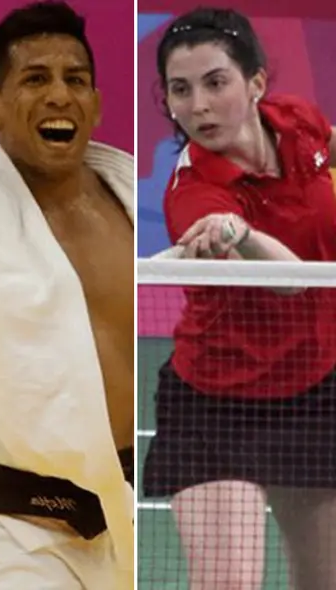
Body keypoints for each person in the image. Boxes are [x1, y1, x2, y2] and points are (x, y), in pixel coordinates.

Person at [142, 7, 336, 590]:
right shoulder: (193, 194)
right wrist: (241, 235)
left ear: (255, 83)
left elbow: (328, 145)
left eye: (215, 82)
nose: (197, 105)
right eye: (181, 89)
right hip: (217, 404)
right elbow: (292, 281)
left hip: (313, 388)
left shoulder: (296, 121)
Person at [0, 2, 135, 588]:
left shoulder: (135, 194)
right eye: (35, 78)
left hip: (121, 523)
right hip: (9, 533)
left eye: (75, 80)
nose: (60, 94)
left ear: (97, 103)